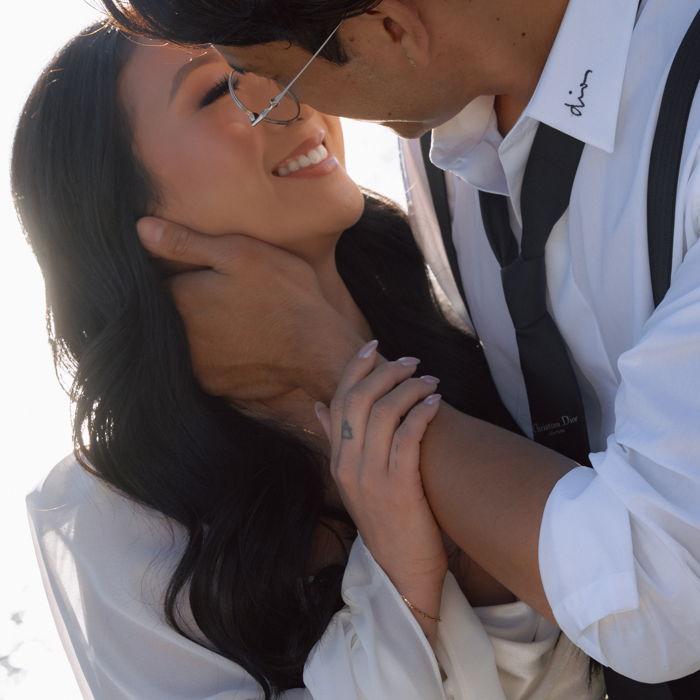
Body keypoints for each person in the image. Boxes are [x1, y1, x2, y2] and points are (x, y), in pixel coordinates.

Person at [97, 0, 700, 697]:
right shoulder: (443, 149)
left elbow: (657, 594)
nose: (287, 107)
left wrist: (337, 365)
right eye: (228, 88)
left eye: (274, 75)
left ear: (391, 28)